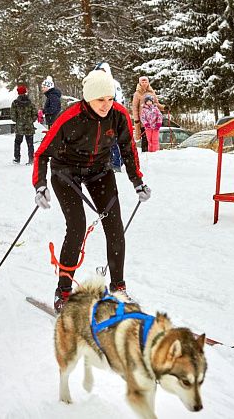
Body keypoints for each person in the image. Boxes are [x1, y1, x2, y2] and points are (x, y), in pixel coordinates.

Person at [32, 69, 151, 313]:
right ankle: (63, 291)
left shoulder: (118, 115)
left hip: (99, 171)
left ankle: (118, 289)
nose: (106, 105)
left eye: (110, 98)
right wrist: (40, 185)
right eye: (100, 100)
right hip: (65, 172)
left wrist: (137, 181)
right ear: (88, 98)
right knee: (76, 227)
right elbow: (42, 153)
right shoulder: (69, 118)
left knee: (115, 227)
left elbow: (128, 149)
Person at [93, 62, 125, 172]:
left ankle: (116, 163)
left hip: (112, 116)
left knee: (113, 140)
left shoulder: (114, 84)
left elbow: (119, 101)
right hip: (100, 116)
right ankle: (106, 162)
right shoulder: (95, 84)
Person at [132, 76, 165, 152]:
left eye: (145, 82)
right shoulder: (137, 94)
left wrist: (164, 107)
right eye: (142, 82)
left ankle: (154, 152)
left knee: (154, 139)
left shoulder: (152, 92)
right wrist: (136, 119)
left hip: (154, 121)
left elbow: (156, 103)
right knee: (145, 138)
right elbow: (135, 107)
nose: (144, 83)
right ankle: (145, 152)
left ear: (148, 83)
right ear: (140, 83)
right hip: (144, 121)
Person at [10, 85, 37, 165]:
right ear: (25, 92)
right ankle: (31, 159)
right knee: (30, 144)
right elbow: (35, 114)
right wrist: (31, 120)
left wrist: (18, 120)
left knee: (17, 142)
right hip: (29, 127)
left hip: (19, 127)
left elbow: (13, 116)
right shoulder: (30, 102)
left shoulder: (15, 103)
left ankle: (17, 158)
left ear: (18, 93)